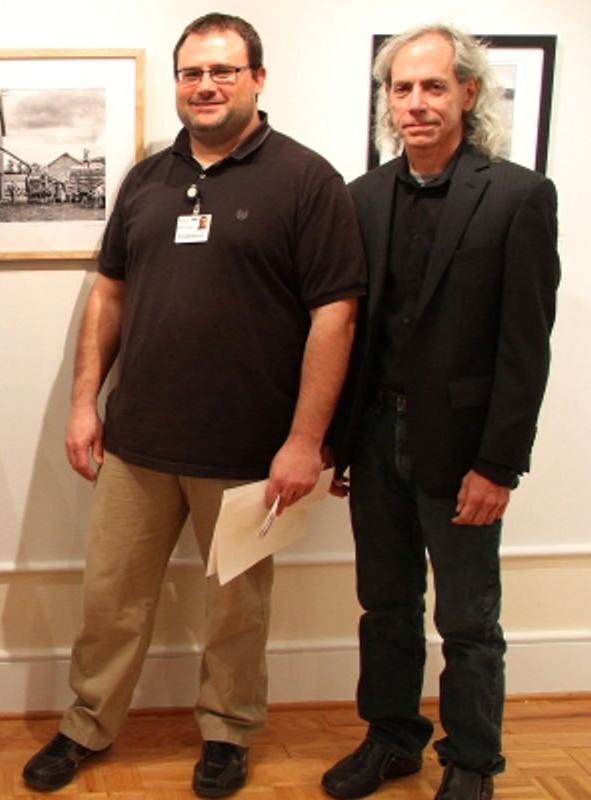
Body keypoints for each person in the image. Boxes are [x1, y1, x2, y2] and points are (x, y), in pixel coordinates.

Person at [21, 13, 365, 797]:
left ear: (257, 79)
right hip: (137, 443)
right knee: (110, 600)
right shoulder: (146, 180)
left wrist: (305, 440)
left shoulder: (308, 180)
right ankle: (87, 723)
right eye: (191, 73)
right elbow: (109, 295)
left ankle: (229, 732)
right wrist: (84, 403)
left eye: (222, 71)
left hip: (249, 451)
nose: (205, 86)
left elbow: (336, 315)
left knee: (237, 610)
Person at [321, 25, 559, 800]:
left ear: (468, 93)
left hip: (462, 450)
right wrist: (338, 444)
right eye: (402, 88)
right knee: (385, 606)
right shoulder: (362, 198)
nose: (416, 103)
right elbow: (353, 331)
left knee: (468, 621)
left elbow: (525, 348)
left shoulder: (519, 195)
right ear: (387, 101)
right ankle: (391, 738)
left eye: (433, 86)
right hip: (373, 438)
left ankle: (472, 760)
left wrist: (499, 466)